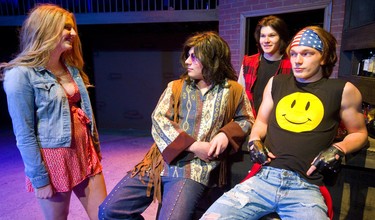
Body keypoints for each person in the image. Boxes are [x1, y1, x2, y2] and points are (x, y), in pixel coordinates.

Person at [201, 26, 368, 219]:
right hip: (264, 178)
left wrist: (339, 148)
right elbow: (261, 121)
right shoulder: (276, 83)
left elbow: (359, 133)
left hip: (305, 186)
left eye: (307, 54)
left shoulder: (343, 89)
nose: (297, 60)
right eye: (294, 54)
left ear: (323, 57)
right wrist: (254, 139)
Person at [98, 31, 254, 220]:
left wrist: (225, 135)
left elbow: (246, 118)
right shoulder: (176, 87)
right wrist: (194, 146)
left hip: (195, 169)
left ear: (212, 59)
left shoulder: (233, 90)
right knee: (109, 211)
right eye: (187, 55)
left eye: (194, 56)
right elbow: (159, 119)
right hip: (158, 162)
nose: (187, 61)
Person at [1, 4, 107, 220]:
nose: (74, 34)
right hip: (53, 161)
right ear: (46, 29)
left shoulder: (71, 68)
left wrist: (94, 146)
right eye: (67, 27)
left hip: (84, 152)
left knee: (105, 215)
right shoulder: (20, 75)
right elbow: (24, 133)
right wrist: (40, 179)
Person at [238, 15, 291, 118]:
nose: (266, 40)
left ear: (281, 38)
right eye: (262, 36)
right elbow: (241, 96)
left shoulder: (291, 64)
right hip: (250, 121)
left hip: (278, 124)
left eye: (272, 35)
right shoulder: (248, 62)